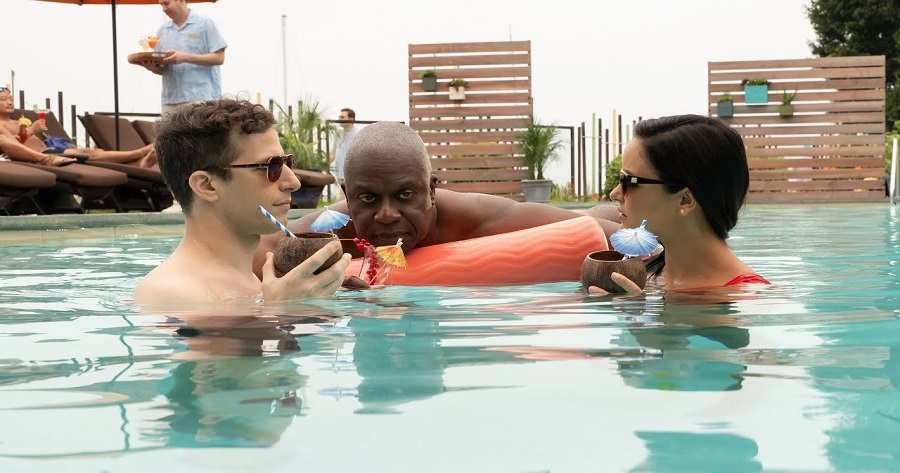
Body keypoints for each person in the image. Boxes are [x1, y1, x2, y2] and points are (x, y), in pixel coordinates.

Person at [254, 121, 622, 277]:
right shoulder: (333, 229)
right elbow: (252, 251)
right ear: (347, 196)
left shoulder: (471, 217)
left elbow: (596, 230)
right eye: (368, 198)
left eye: (405, 195)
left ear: (431, 190)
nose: (386, 214)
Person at [134, 98, 351, 304]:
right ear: (207, 186)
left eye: (286, 163)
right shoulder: (175, 294)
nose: (293, 182)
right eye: (270, 167)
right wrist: (284, 310)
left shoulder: (252, 283)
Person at [590, 114, 769, 295]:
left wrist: (640, 311)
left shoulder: (747, 298)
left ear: (685, 200)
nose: (615, 194)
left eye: (628, 181)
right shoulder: (642, 274)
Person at [0, 87, 157, 168]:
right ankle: (139, 153)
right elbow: (9, 147)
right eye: (3, 99)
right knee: (88, 154)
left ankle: (138, 163)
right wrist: (32, 131)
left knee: (95, 153)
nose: (10, 102)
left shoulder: (18, 121)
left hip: (50, 150)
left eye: (11, 98)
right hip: (40, 156)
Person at [140, 0, 228, 115]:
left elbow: (219, 58)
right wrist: (152, 68)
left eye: (166, 3)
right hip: (170, 101)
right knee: (166, 128)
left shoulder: (205, 24)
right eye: (161, 4)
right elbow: (163, 69)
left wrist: (185, 57)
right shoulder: (162, 31)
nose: (163, 9)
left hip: (202, 100)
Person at [330, 108, 358, 198]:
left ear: (351, 119)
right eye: (339, 117)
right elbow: (333, 153)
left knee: (343, 196)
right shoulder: (338, 133)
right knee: (345, 196)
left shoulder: (358, 134)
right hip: (339, 170)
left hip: (352, 171)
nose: (340, 119)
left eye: (342, 117)